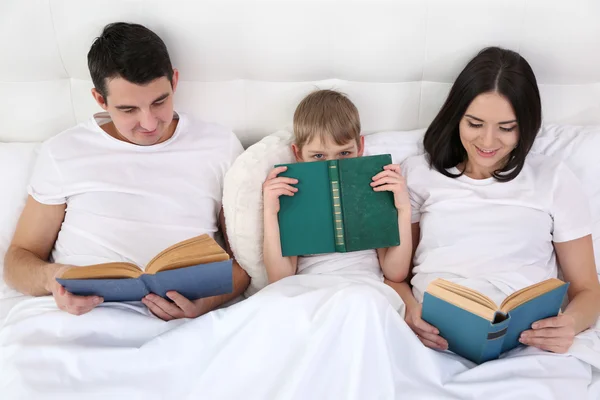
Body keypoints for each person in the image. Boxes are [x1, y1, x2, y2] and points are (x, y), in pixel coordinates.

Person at [3, 22, 250, 320]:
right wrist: (52, 278)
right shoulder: (63, 150)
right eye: (128, 110)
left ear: (174, 81)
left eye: (160, 101)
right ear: (100, 100)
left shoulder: (218, 145)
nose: (148, 124)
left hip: (184, 320)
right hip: (79, 318)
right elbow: (18, 260)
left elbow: (246, 260)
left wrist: (208, 302)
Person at [389, 46, 600, 354]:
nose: (487, 142)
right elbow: (396, 276)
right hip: (434, 340)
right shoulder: (419, 173)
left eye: (506, 128)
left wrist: (569, 324)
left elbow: (588, 290)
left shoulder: (553, 177)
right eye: (475, 124)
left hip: (527, 342)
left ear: (525, 125)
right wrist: (409, 310)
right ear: (456, 117)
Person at [262, 89, 412, 284]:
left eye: (344, 153)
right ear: (297, 154)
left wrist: (403, 208)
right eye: (318, 156)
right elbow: (279, 278)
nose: (332, 164)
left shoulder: (375, 182)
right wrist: (270, 212)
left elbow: (396, 272)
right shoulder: (291, 191)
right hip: (308, 289)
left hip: (363, 287)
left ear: (359, 147)